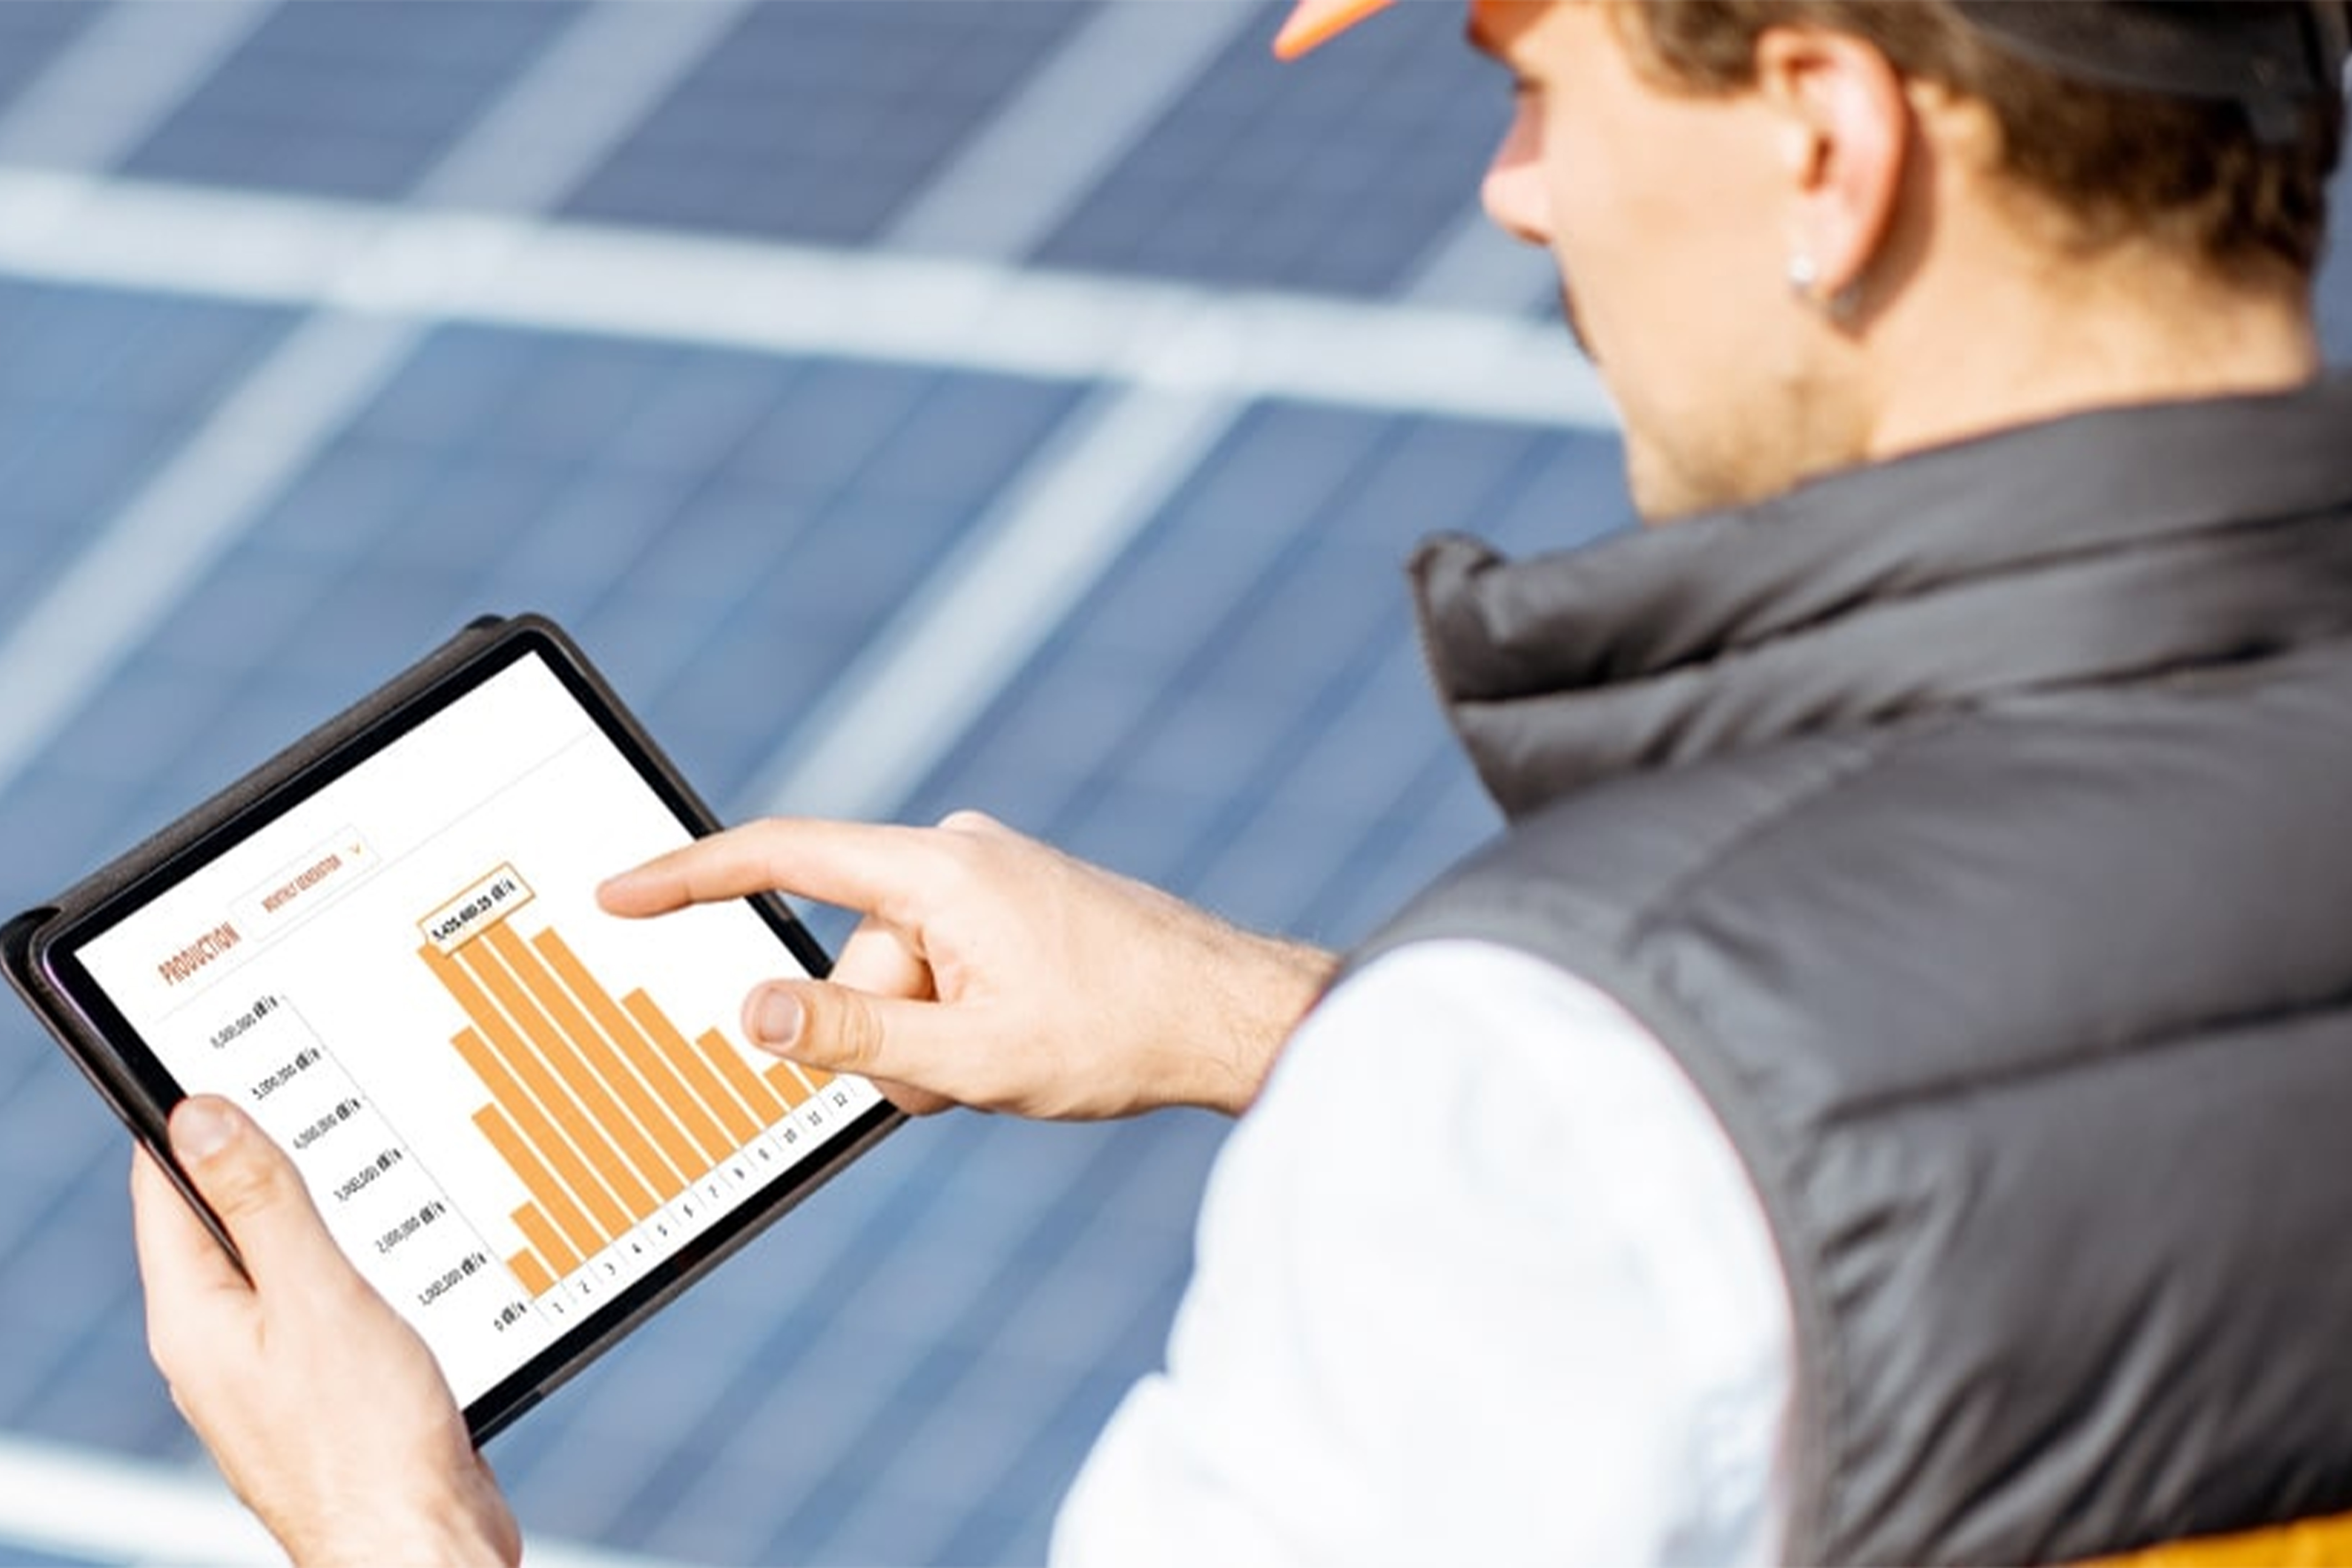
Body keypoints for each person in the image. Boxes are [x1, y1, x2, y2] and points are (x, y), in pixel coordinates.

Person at [130, 0, 2352, 1562]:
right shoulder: (1572, 1106)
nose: (1510, 195)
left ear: (1822, 138)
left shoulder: (1546, 1103)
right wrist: (1262, 1027)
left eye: (1534, 79)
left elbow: (1713, 1175)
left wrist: (386, 1518)